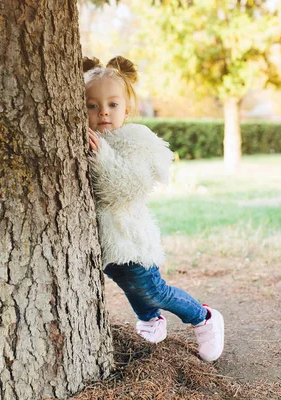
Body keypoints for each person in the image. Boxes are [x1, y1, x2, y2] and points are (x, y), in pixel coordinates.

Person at [84, 55, 225, 362]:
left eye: (112, 105)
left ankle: (204, 318)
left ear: (127, 109)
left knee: (153, 290)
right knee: (127, 283)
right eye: (92, 105)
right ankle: (150, 318)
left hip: (130, 239)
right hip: (107, 242)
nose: (103, 113)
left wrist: (102, 156)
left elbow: (126, 187)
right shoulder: (84, 138)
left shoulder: (137, 140)